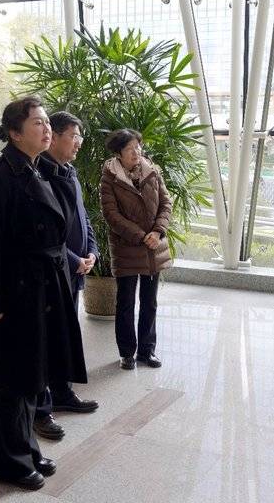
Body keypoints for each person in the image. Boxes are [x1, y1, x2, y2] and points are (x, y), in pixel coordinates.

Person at [0, 96, 88, 490]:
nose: (46, 129)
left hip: (41, 289)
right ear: (14, 132)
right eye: (38, 123)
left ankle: (27, 449)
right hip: (14, 292)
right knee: (12, 380)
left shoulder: (36, 169)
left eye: (47, 123)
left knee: (32, 375)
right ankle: (10, 462)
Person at [32, 111, 101, 442]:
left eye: (79, 136)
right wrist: (74, 259)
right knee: (45, 339)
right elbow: (46, 231)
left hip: (73, 269)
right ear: (55, 137)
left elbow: (83, 219)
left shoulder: (68, 171)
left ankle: (62, 392)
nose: (79, 143)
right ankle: (41, 408)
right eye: (74, 136)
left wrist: (92, 252)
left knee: (64, 334)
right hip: (53, 271)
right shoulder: (40, 174)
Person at [99, 129, 172, 370]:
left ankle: (147, 351)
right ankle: (127, 353)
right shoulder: (109, 177)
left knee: (150, 302)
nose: (136, 152)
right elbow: (111, 215)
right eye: (130, 148)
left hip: (153, 247)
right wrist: (142, 236)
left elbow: (166, 203)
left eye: (138, 147)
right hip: (127, 248)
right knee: (126, 303)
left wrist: (157, 231)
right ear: (118, 153)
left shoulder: (152, 171)